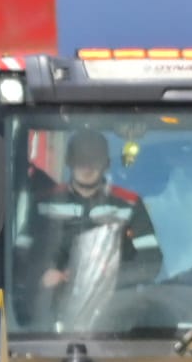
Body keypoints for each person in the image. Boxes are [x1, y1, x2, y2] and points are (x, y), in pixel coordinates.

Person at [19, 132, 159, 327]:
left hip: (113, 317)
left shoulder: (129, 204)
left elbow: (151, 261)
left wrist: (111, 278)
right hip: (49, 316)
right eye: (81, 160)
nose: (87, 167)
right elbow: (19, 256)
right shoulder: (45, 202)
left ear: (106, 164)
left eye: (94, 161)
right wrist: (42, 275)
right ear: (69, 161)